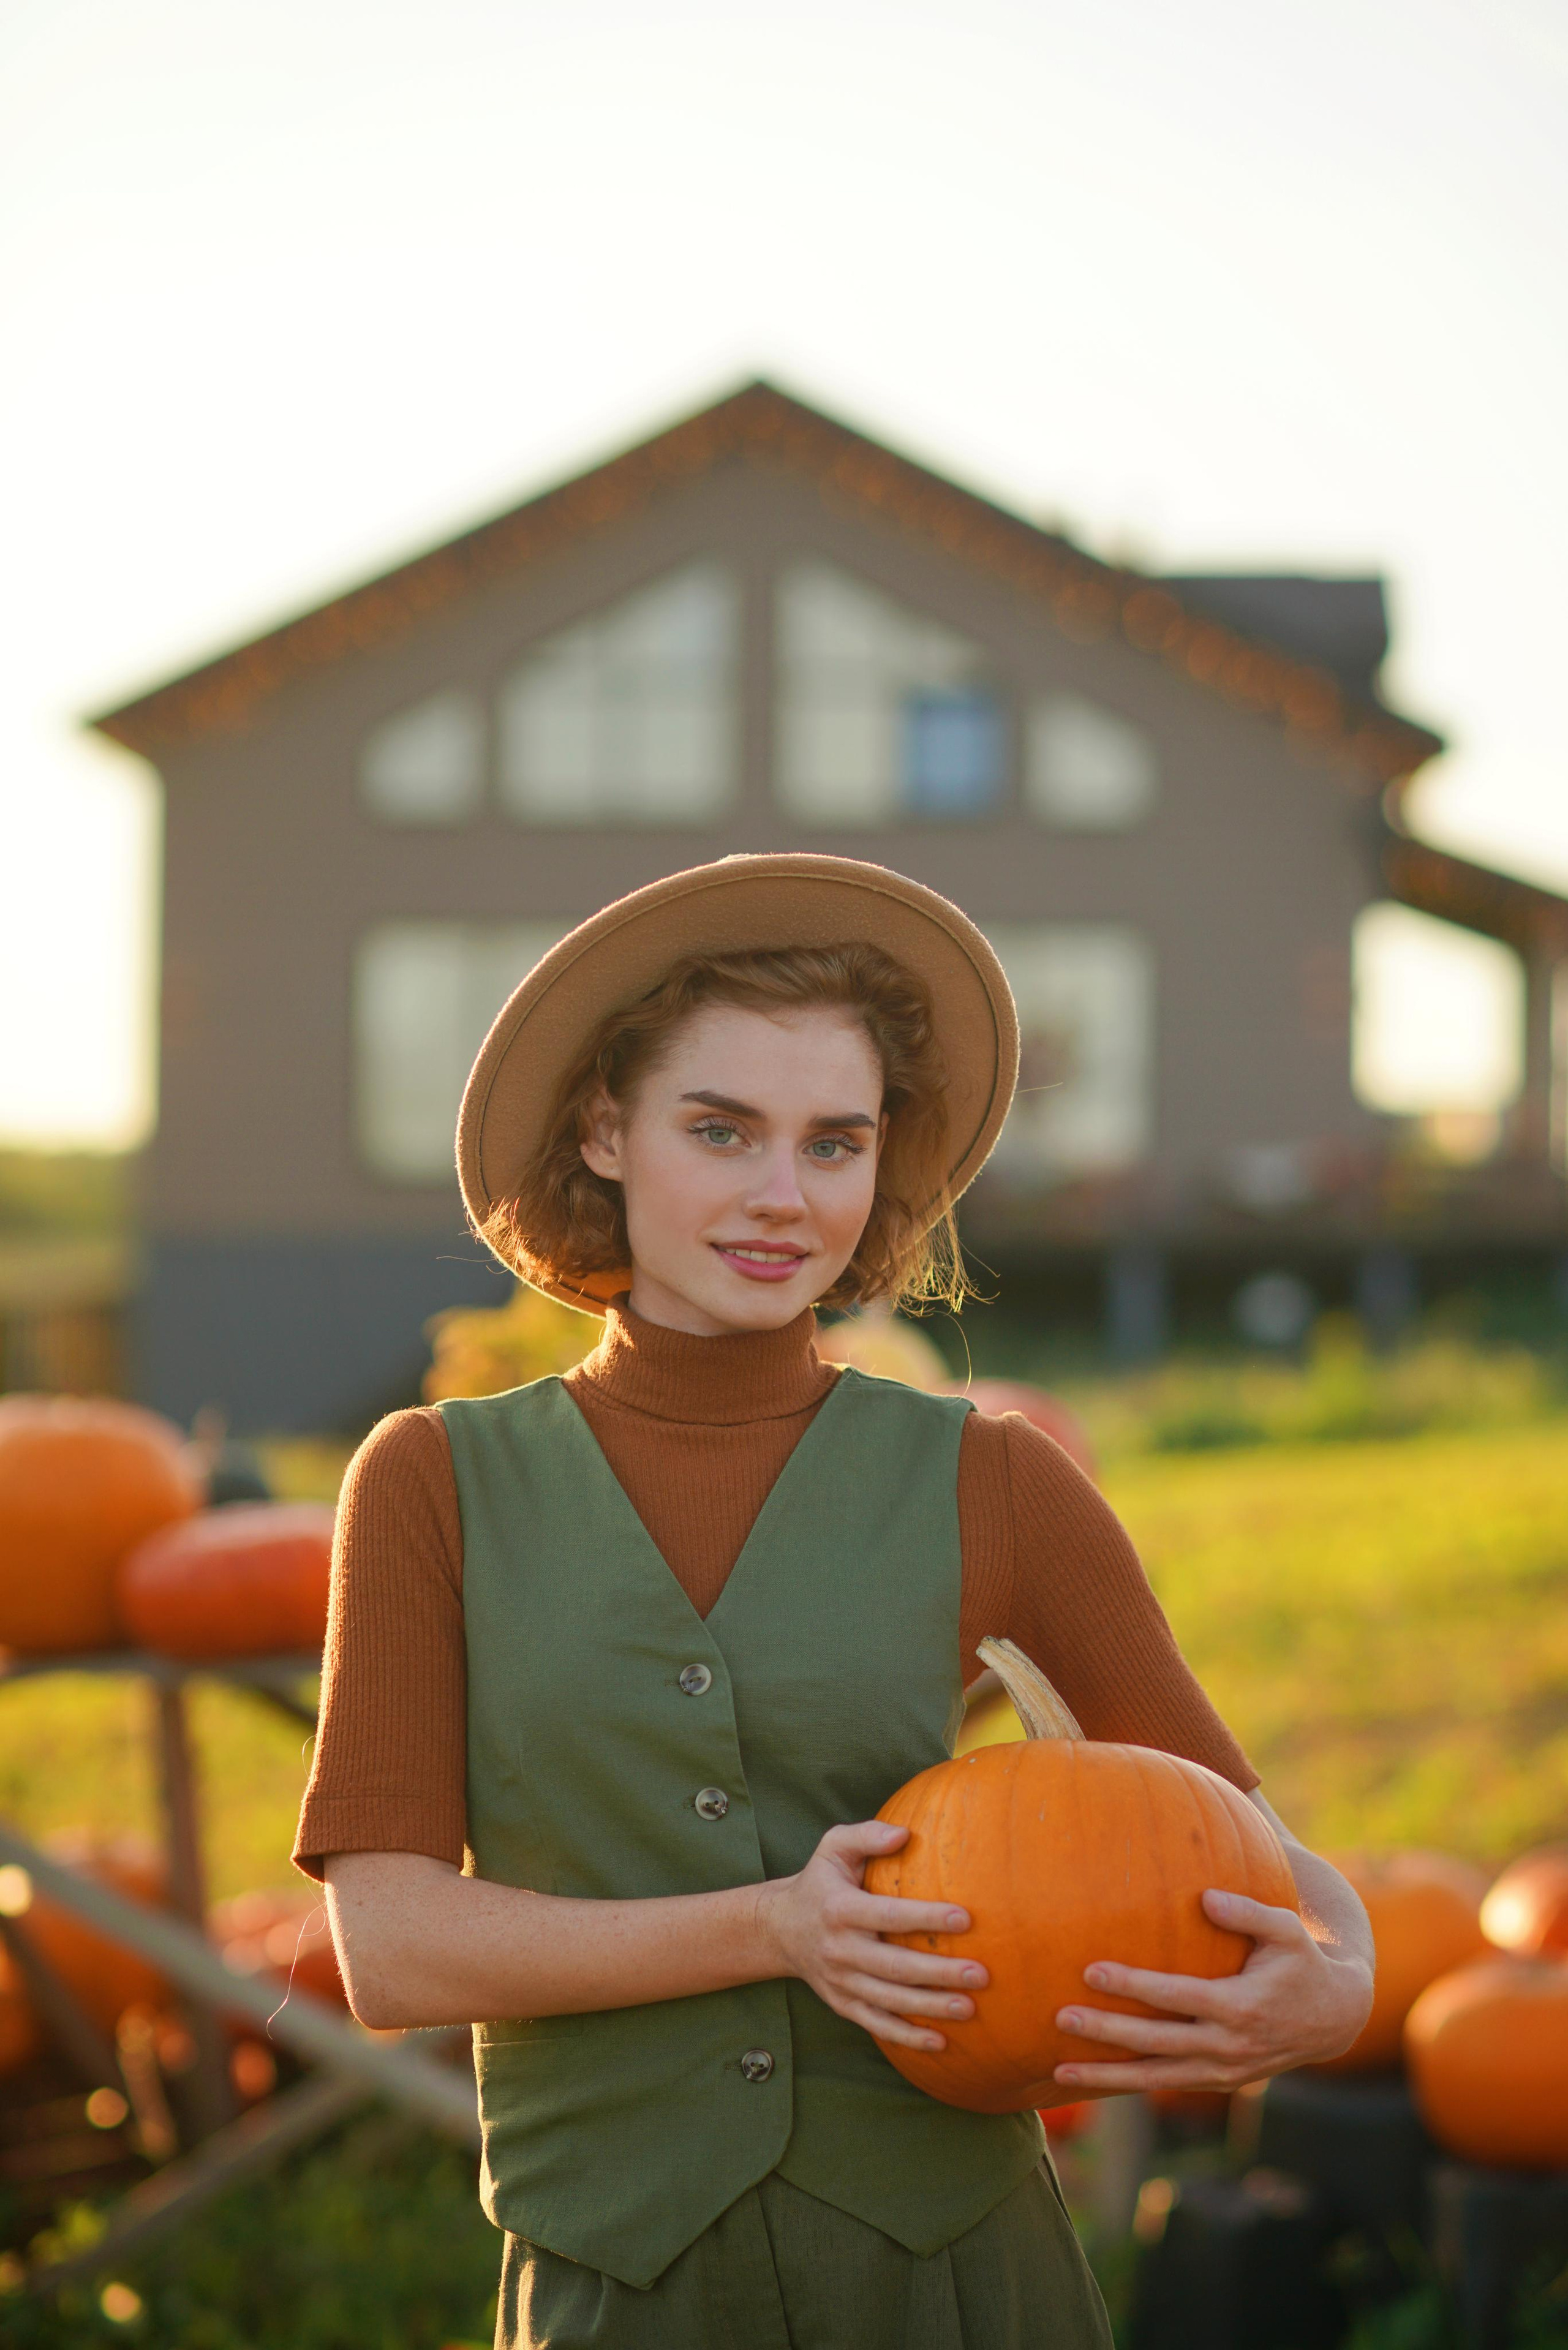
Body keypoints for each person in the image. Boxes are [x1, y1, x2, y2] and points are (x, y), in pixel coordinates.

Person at [295, 853, 1373, 2350]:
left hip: (953, 2276)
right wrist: (777, 1926)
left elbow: (1259, 1861)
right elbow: (393, 1948)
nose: (778, 1194)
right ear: (604, 1128)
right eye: (719, 1128)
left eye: (833, 1141)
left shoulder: (993, 1476)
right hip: (618, 2279)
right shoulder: (429, 1479)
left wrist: (1337, 1986)